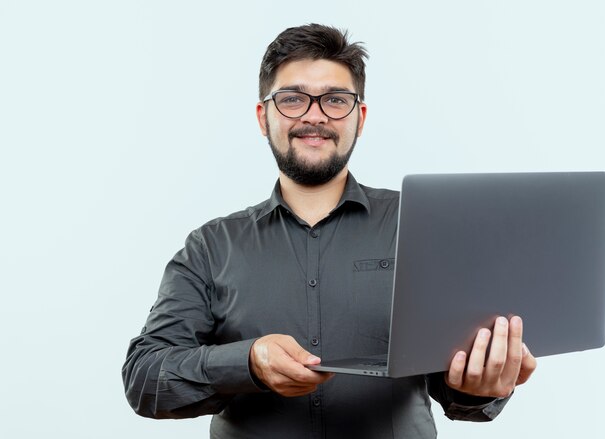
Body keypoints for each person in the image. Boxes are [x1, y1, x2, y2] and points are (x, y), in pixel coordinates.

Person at [122, 23, 537, 438]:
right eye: (292, 99)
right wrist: (248, 362)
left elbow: (461, 392)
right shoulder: (210, 248)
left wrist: (480, 386)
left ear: (360, 116)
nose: (314, 115)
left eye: (335, 100)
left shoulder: (422, 227)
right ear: (263, 117)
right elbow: (145, 379)